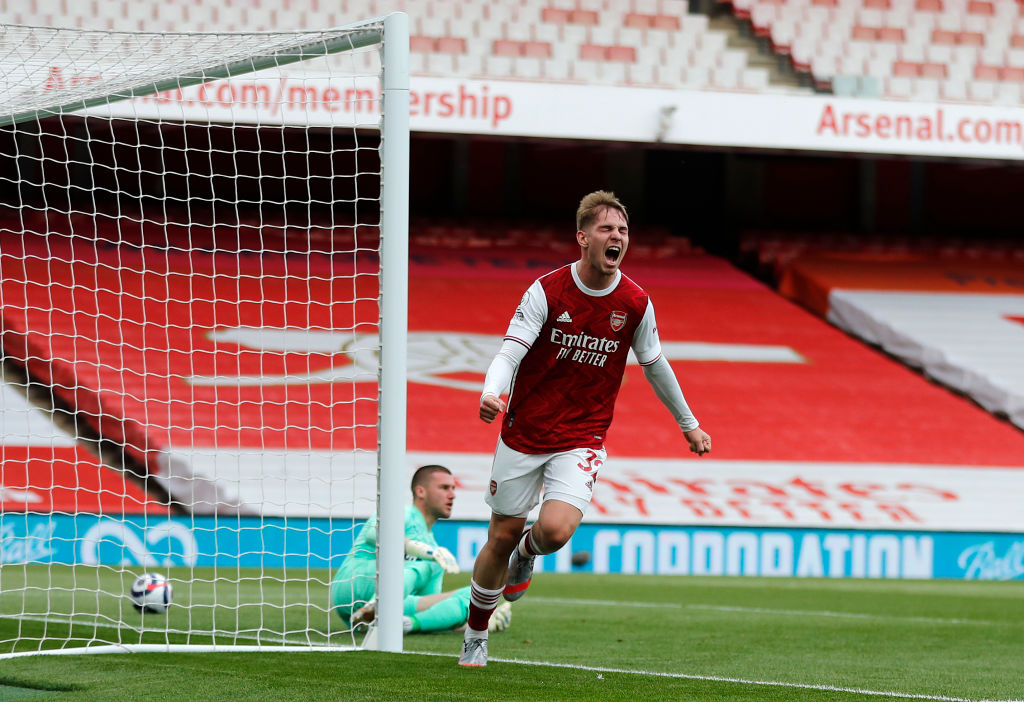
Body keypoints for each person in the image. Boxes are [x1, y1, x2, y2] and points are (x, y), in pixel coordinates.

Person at [458, 191, 711, 667]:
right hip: (525, 431)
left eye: (623, 231)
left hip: (582, 436)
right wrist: (493, 391)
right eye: (606, 229)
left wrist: (689, 424)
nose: (616, 237)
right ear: (582, 237)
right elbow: (510, 351)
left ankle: (529, 554)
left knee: (553, 532)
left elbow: (655, 364)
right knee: (500, 536)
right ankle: (475, 635)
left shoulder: (635, 302)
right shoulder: (547, 291)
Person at [330, 464, 511, 638]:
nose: (452, 495)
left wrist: (478, 623)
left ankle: (405, 623)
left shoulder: (434, 548)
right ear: (421, 491)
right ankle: (377, 606)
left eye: (453, 489)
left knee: (473, 596)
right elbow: (373, 534)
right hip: (354, 584)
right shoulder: (402, 513)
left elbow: (426, 603)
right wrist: (422, 551)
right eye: (444, 488)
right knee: (427, 565)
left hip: (392, 603)